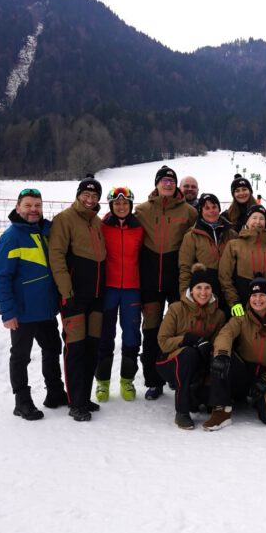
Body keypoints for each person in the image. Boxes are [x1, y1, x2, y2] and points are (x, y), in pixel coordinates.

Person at [0, 187, 67, 420]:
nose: (33, 210)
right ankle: (22, 401)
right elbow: (1, 277)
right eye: (28, 205)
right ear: (18, 208)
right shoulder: (11, 237)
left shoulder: (45, 231)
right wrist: (7, 312)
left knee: (52, 349)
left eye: (37, 205)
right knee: (21, 356)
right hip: (23, 312)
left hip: (45, 309)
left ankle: (54, 392)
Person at [134, 166, 197, 400]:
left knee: (178, 330)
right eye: (164, 181)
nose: (168, 184)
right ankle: (153, 380)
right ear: (157, 184)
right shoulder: (142, 210)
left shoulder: (189, 211)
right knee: (151, 331)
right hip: (150, 281)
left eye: (172, 181)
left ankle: (175, 375)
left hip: (176, 279)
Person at [205, 274, 266, 430]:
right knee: (220, 355)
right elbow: (225, 334)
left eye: (262, 295)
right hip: (243, 373)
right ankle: (222, 411)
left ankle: (258, 399)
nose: (258, 299)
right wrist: (221, 354)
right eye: (254, 295)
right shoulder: (241, 318)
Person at [49, 175, 106, 421]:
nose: (90, 199)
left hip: (96, 296)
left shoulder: (98, 223)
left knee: (93, 348)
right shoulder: (64, 219)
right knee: (75, 348)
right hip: (74, 297)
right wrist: (66, 291)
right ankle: (75, 402)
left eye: (94, 197)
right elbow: (57, 257)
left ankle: (83, 396)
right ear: (78, 195)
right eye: (86, 195)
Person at [156, 264, 226, 430]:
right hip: (170, 361)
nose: (203, 292)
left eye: (207, 288)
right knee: (189, 354)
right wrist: (188, 339)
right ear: (191, 290)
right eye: (199, 288)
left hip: (200, 364)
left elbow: (218, 342)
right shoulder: (176, 309)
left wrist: (208, 347)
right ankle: (182, 412)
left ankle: (199, 396)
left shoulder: (218, 314)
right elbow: (163, 341)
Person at [94, 186, 144, 403]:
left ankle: (127, 380)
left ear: (131, 205)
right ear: (111, 206)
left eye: (125, 203)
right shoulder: (102, 227)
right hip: (109, 289)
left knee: (131, 336)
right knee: (105, 335)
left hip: (132, 289)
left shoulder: (140, 228)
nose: (121, 207)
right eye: (117, 204)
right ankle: (102, 383)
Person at [218, 204, 266, 316]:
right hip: (241, 304)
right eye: (254, 218)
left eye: (261, 218)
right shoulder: (234, 245)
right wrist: (234, 301)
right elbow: (224, 276)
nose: (258, 222)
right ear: (247, 221)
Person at [178, 193, 237, 310]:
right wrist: (186, 295)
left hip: (229, 287)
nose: (211, 211)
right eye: (207, 208)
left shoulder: (232, 234)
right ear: (201, 211)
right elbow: (185, 267)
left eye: (214, 207)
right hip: (205, 288)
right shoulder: (192, 236)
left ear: (219, 209)